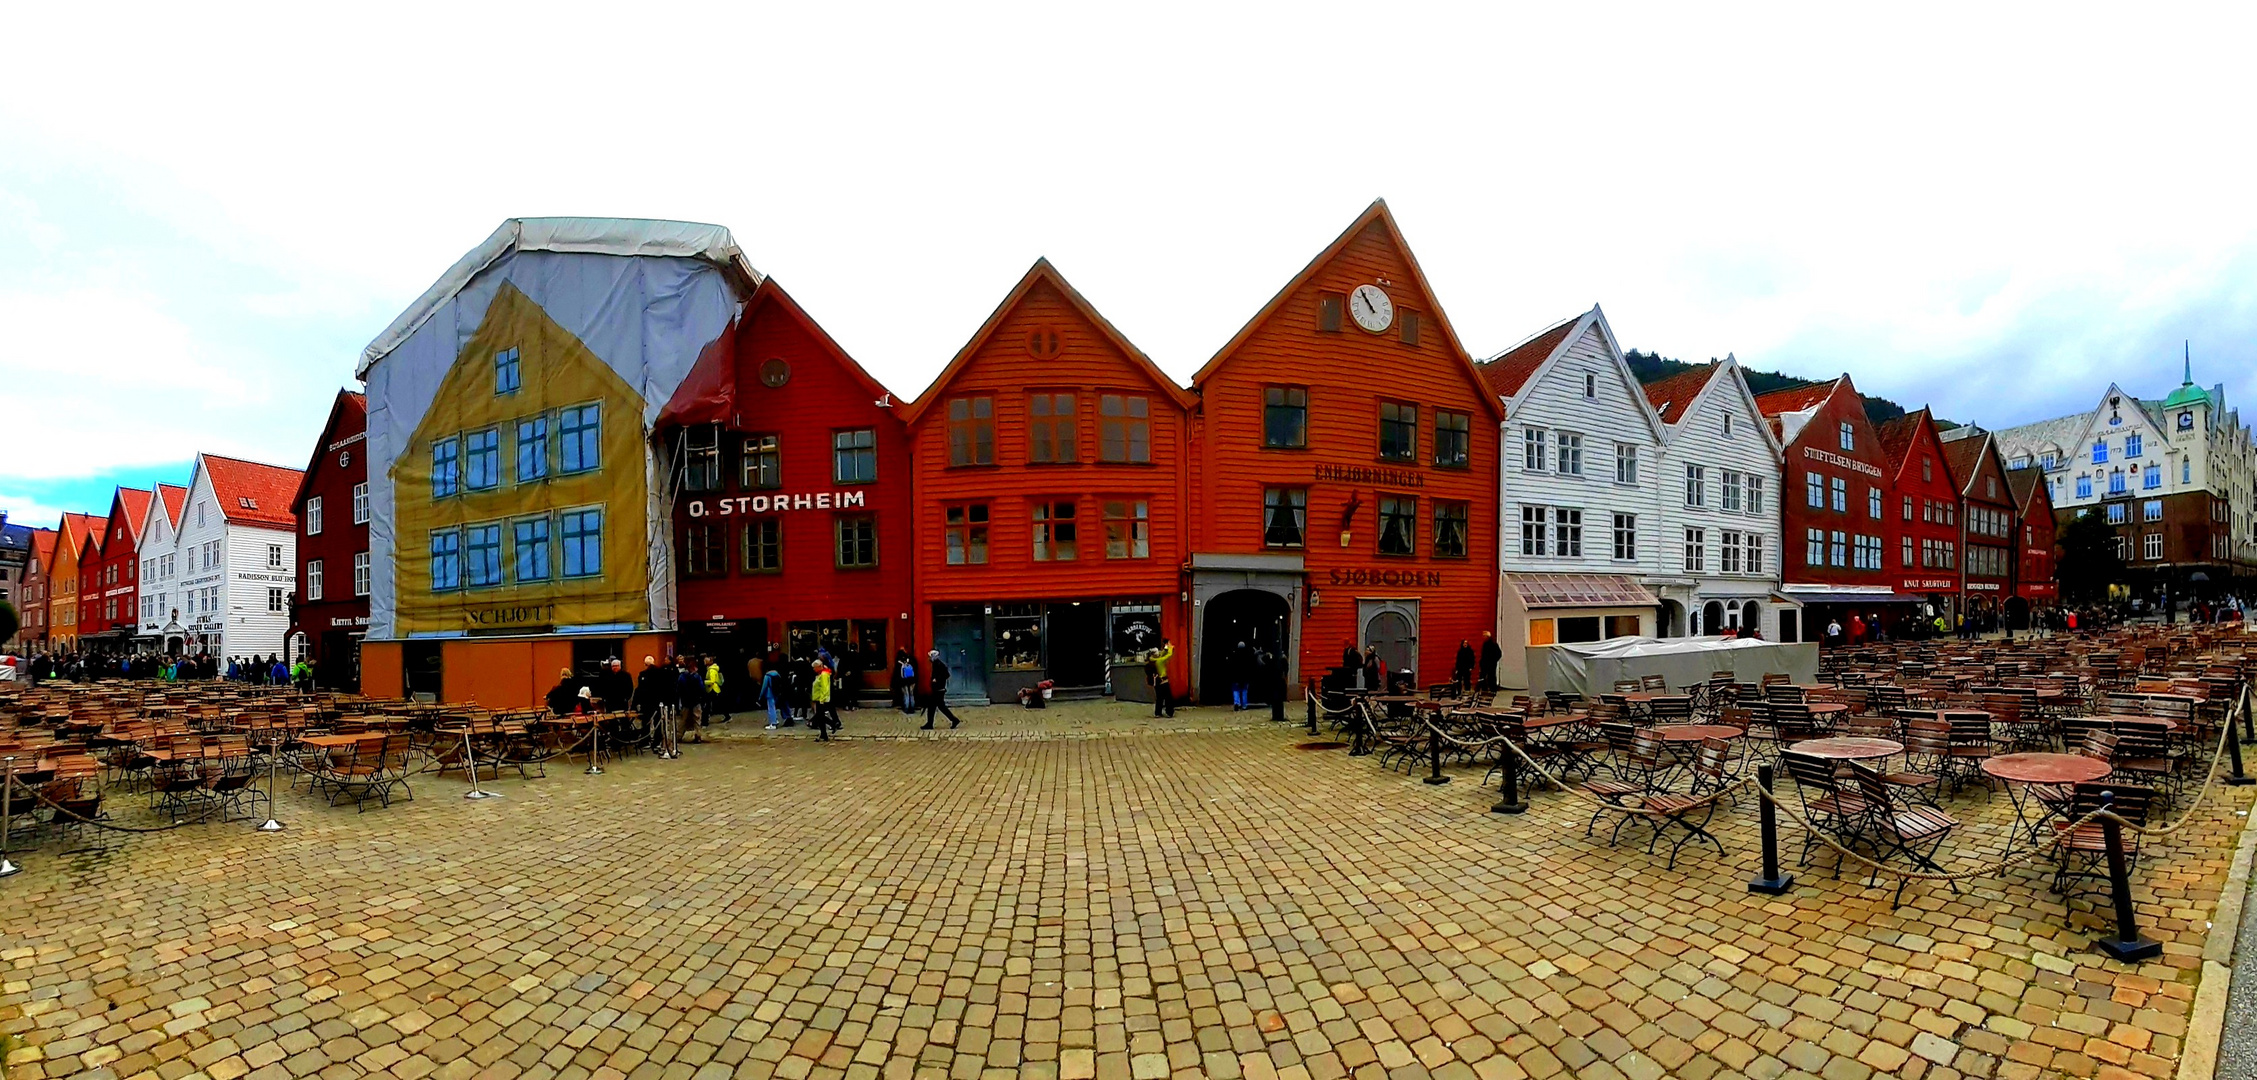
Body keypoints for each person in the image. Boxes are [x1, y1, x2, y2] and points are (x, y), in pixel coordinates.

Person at [922, 649, 961, 730]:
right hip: (938, 689)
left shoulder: (938, 664)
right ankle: (953, 720)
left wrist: (937, 679)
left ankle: (953, 720)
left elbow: (946, 675)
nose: (928, 658)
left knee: (935, 707)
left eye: (930, 656)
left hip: (938, 690)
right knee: (938, 707)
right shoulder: (936, 664)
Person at [810, 661, 837, 740]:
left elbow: (825, 688)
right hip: (818, 698)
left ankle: (832, 724)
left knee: (820, 716)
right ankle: (823, 734)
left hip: (821, 699)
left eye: (814, 667)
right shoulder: (820, 675)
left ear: (819, 666)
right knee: (820, 717)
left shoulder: (824, 675)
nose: (813, 669)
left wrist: (822, 700)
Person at [1150, 638, 1176, 718]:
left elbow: (1162, 654)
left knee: (1159, 697)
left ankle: (1158, 712)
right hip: (1163, 680)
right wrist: (1171, 648)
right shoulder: (1159, 661)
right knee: (1168, 697)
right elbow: (1168, 655)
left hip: (1156, 681)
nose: (1159, 652)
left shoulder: (1152, 659)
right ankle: (1169, 712)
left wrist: (1166, 647)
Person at [1229, 640, 1254, 710]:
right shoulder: (1247, 656)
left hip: (1235, 676)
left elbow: (1231, 666)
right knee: (1244, 691)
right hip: (1245, 677)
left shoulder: (1234, 655)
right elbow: (1250, 666)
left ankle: (1237, 703)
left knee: (1235, 690)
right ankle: (1244, 705)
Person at [761, 663, 785, 729]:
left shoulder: (767, 676)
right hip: (776, 693)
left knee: (771, 708)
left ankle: (773, 723)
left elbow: (764, 686)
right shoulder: (777, 674)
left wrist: (760, 696)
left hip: (769, 693)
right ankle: (775, 720)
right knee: (774, 707)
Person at [704, 656, 727, 723]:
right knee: (718, 703)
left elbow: (712, 681)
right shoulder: (711, 669)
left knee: (708, 705)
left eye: (706, 660)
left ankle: (705, 721)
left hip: (713, 689)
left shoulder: (711, 670)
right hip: (714, 689)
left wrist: (704, 682)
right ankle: (727, 715)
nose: (704, 662)